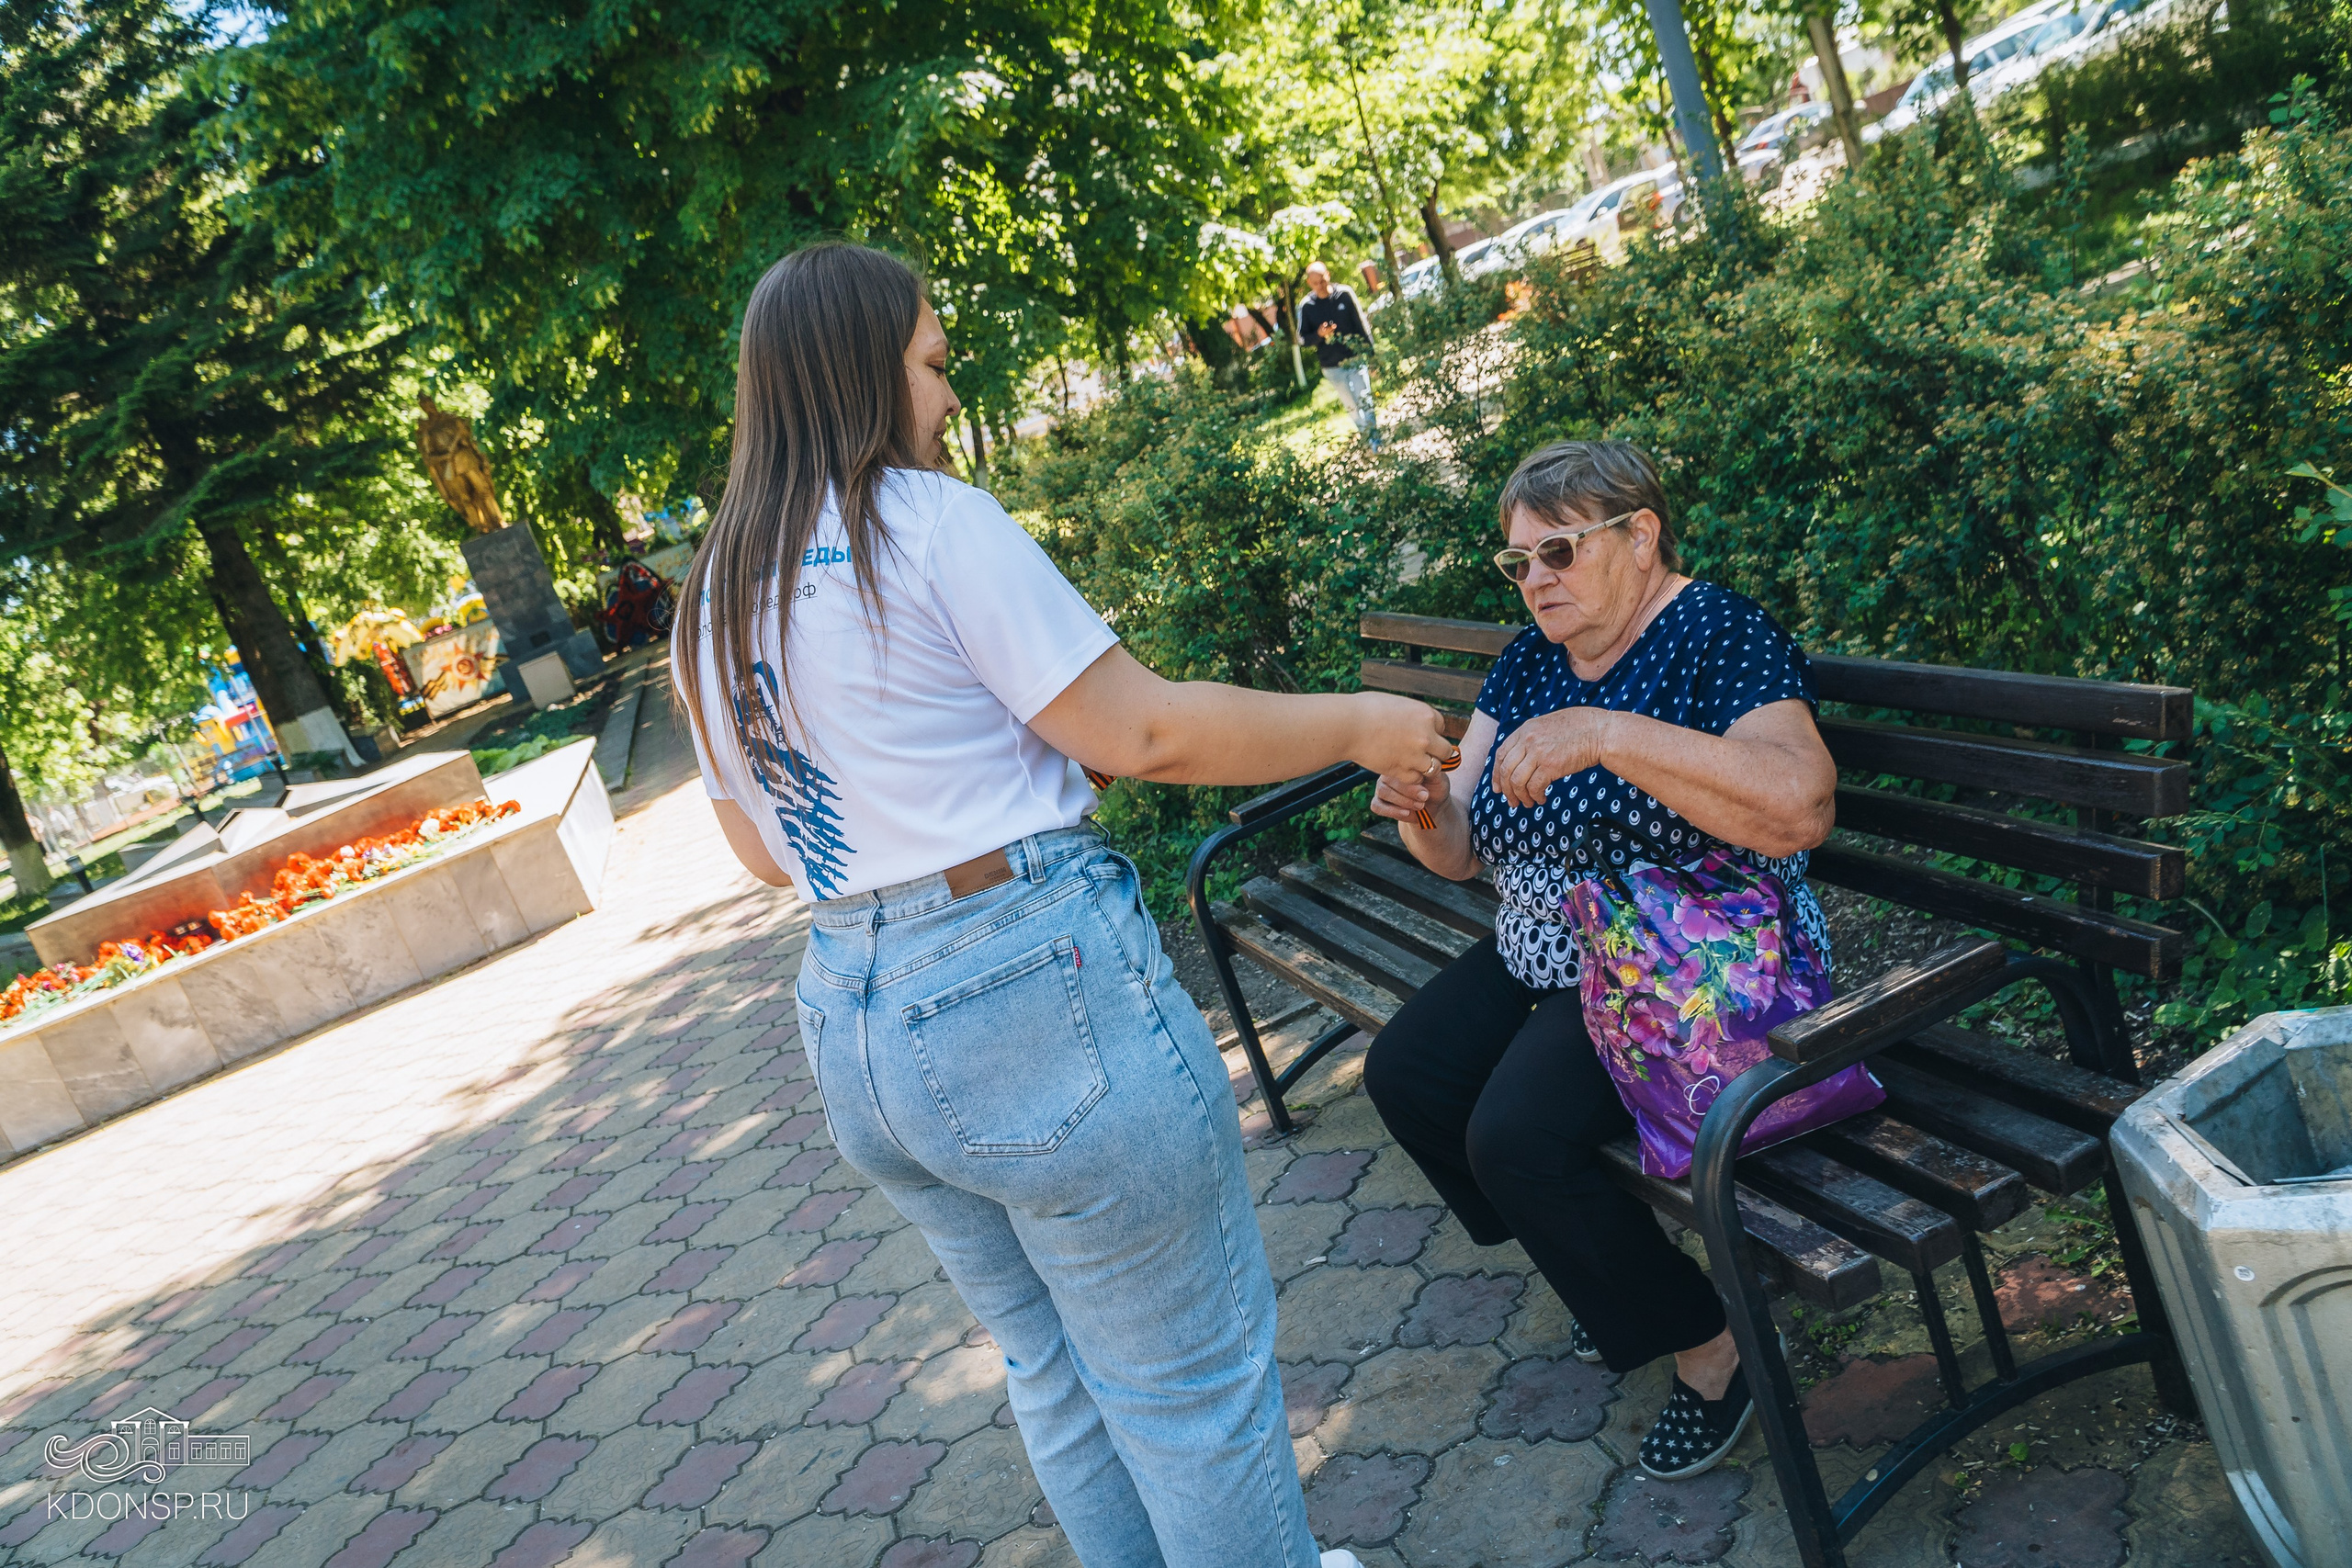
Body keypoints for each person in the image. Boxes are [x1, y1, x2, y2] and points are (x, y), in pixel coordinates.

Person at [673, 242, 1453, 1568]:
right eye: (929, 360)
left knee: (1054, 1368)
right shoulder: (923, 522)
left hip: (854, 1017)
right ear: (862, 371)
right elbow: (1143, 730)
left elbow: (764, 849)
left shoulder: (710, 595)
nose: (945, 390)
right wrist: (1368, 721)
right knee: (1189, 1391)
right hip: (1025, 993)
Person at [1360, 438, 1838, 1481]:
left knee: (1515, 1140)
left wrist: (1609, 732)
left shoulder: (1714, 631)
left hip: (1681, 961)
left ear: (1640, 537)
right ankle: (1603, 1268)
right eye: (1518, 562)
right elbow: (1456, 855)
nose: (1536, 581)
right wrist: (1422, 806)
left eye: (1559, 554)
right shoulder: (1530, 658)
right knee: (1406, 1079)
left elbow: (1799, 807)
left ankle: (1713, 1347)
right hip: (1549, 946)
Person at [1295, 262, 1379, 447]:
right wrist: (1319, 335)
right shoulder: (1306, 306)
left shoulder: (1345, 294)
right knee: (1352, 407)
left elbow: (1362, 325)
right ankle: (1366, 438)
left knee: (1365, 400)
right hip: (1332, 366)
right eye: (1316, 283)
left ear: (1328, 275)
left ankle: (1375, 442)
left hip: (1355, 358)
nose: (1320, 286)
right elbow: (1302, 339)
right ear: (1310, 283)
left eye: (1323, 281)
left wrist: (1371, 355)